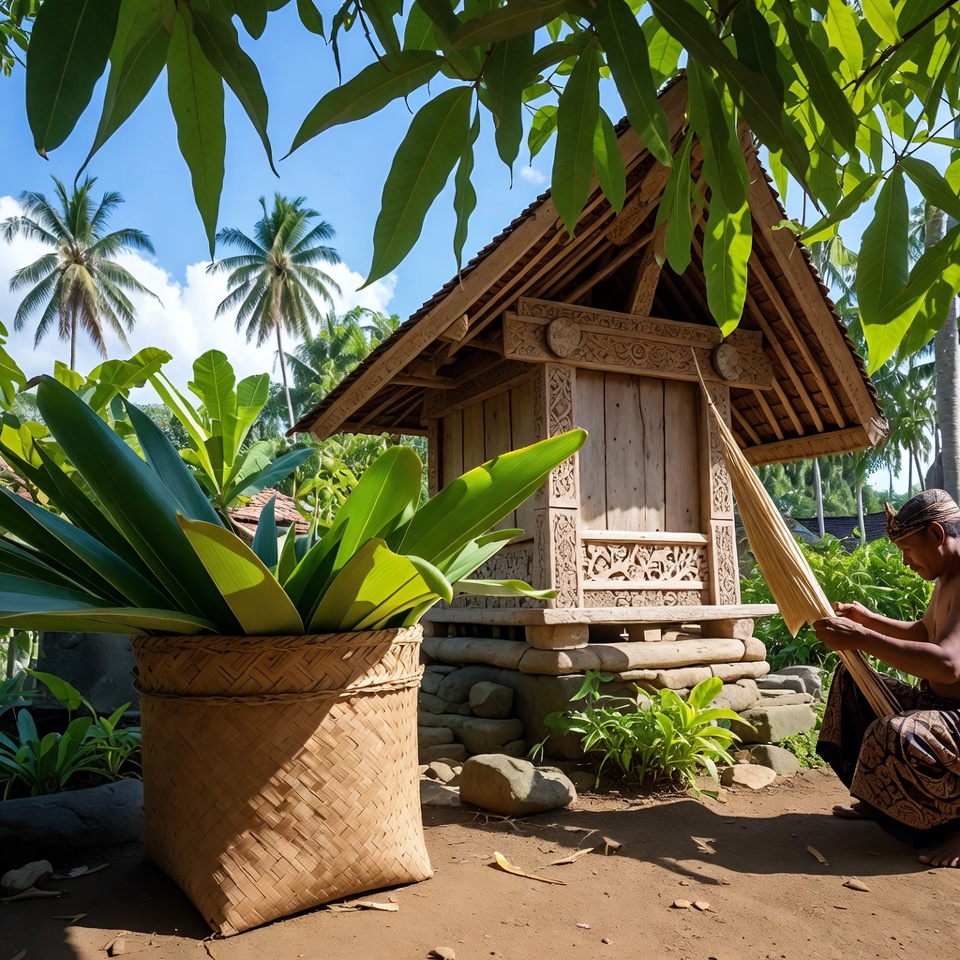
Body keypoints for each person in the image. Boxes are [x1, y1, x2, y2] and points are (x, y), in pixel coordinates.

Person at [813, 488, 960, 868]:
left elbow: (948, 665)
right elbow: (924, 633)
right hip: (938, 708)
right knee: (852, 678)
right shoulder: (947, 578)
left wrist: (863, 637)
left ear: (937, 535)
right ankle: (880, 800)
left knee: (893, 733)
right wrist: (865, 619)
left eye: (909, 550)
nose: (906, 562)